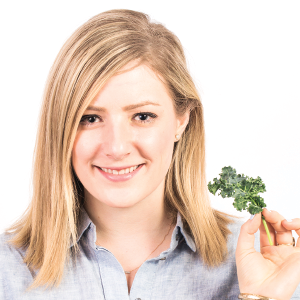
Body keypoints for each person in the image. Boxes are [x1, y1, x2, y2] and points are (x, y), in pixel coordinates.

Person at [0, 9, 300, 300]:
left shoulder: (267, 261)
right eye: (89, 118)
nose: (116, 148)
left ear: (182, 120)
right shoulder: (7, 270)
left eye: (142, 116)